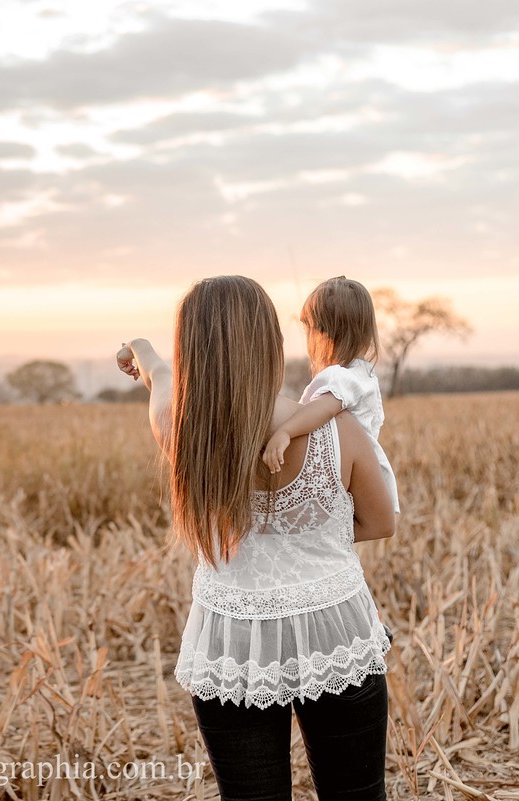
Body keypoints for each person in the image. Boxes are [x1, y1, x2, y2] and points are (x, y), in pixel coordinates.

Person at [116, 276, 395, 801]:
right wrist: (314, 541)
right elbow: (382, 523)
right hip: (338, 633)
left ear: (191, 349)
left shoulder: (178, 428)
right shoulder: (338, 428)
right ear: (271, 341)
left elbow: (159, 375)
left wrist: (143, 350)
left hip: (230, 646)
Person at [261, 275, 400, 514]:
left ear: (328, 335)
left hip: (349, 469)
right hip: (364, 468)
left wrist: (285, 431)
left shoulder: (339, 377)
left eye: (310, 329)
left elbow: (323, 409)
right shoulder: (361, 373)